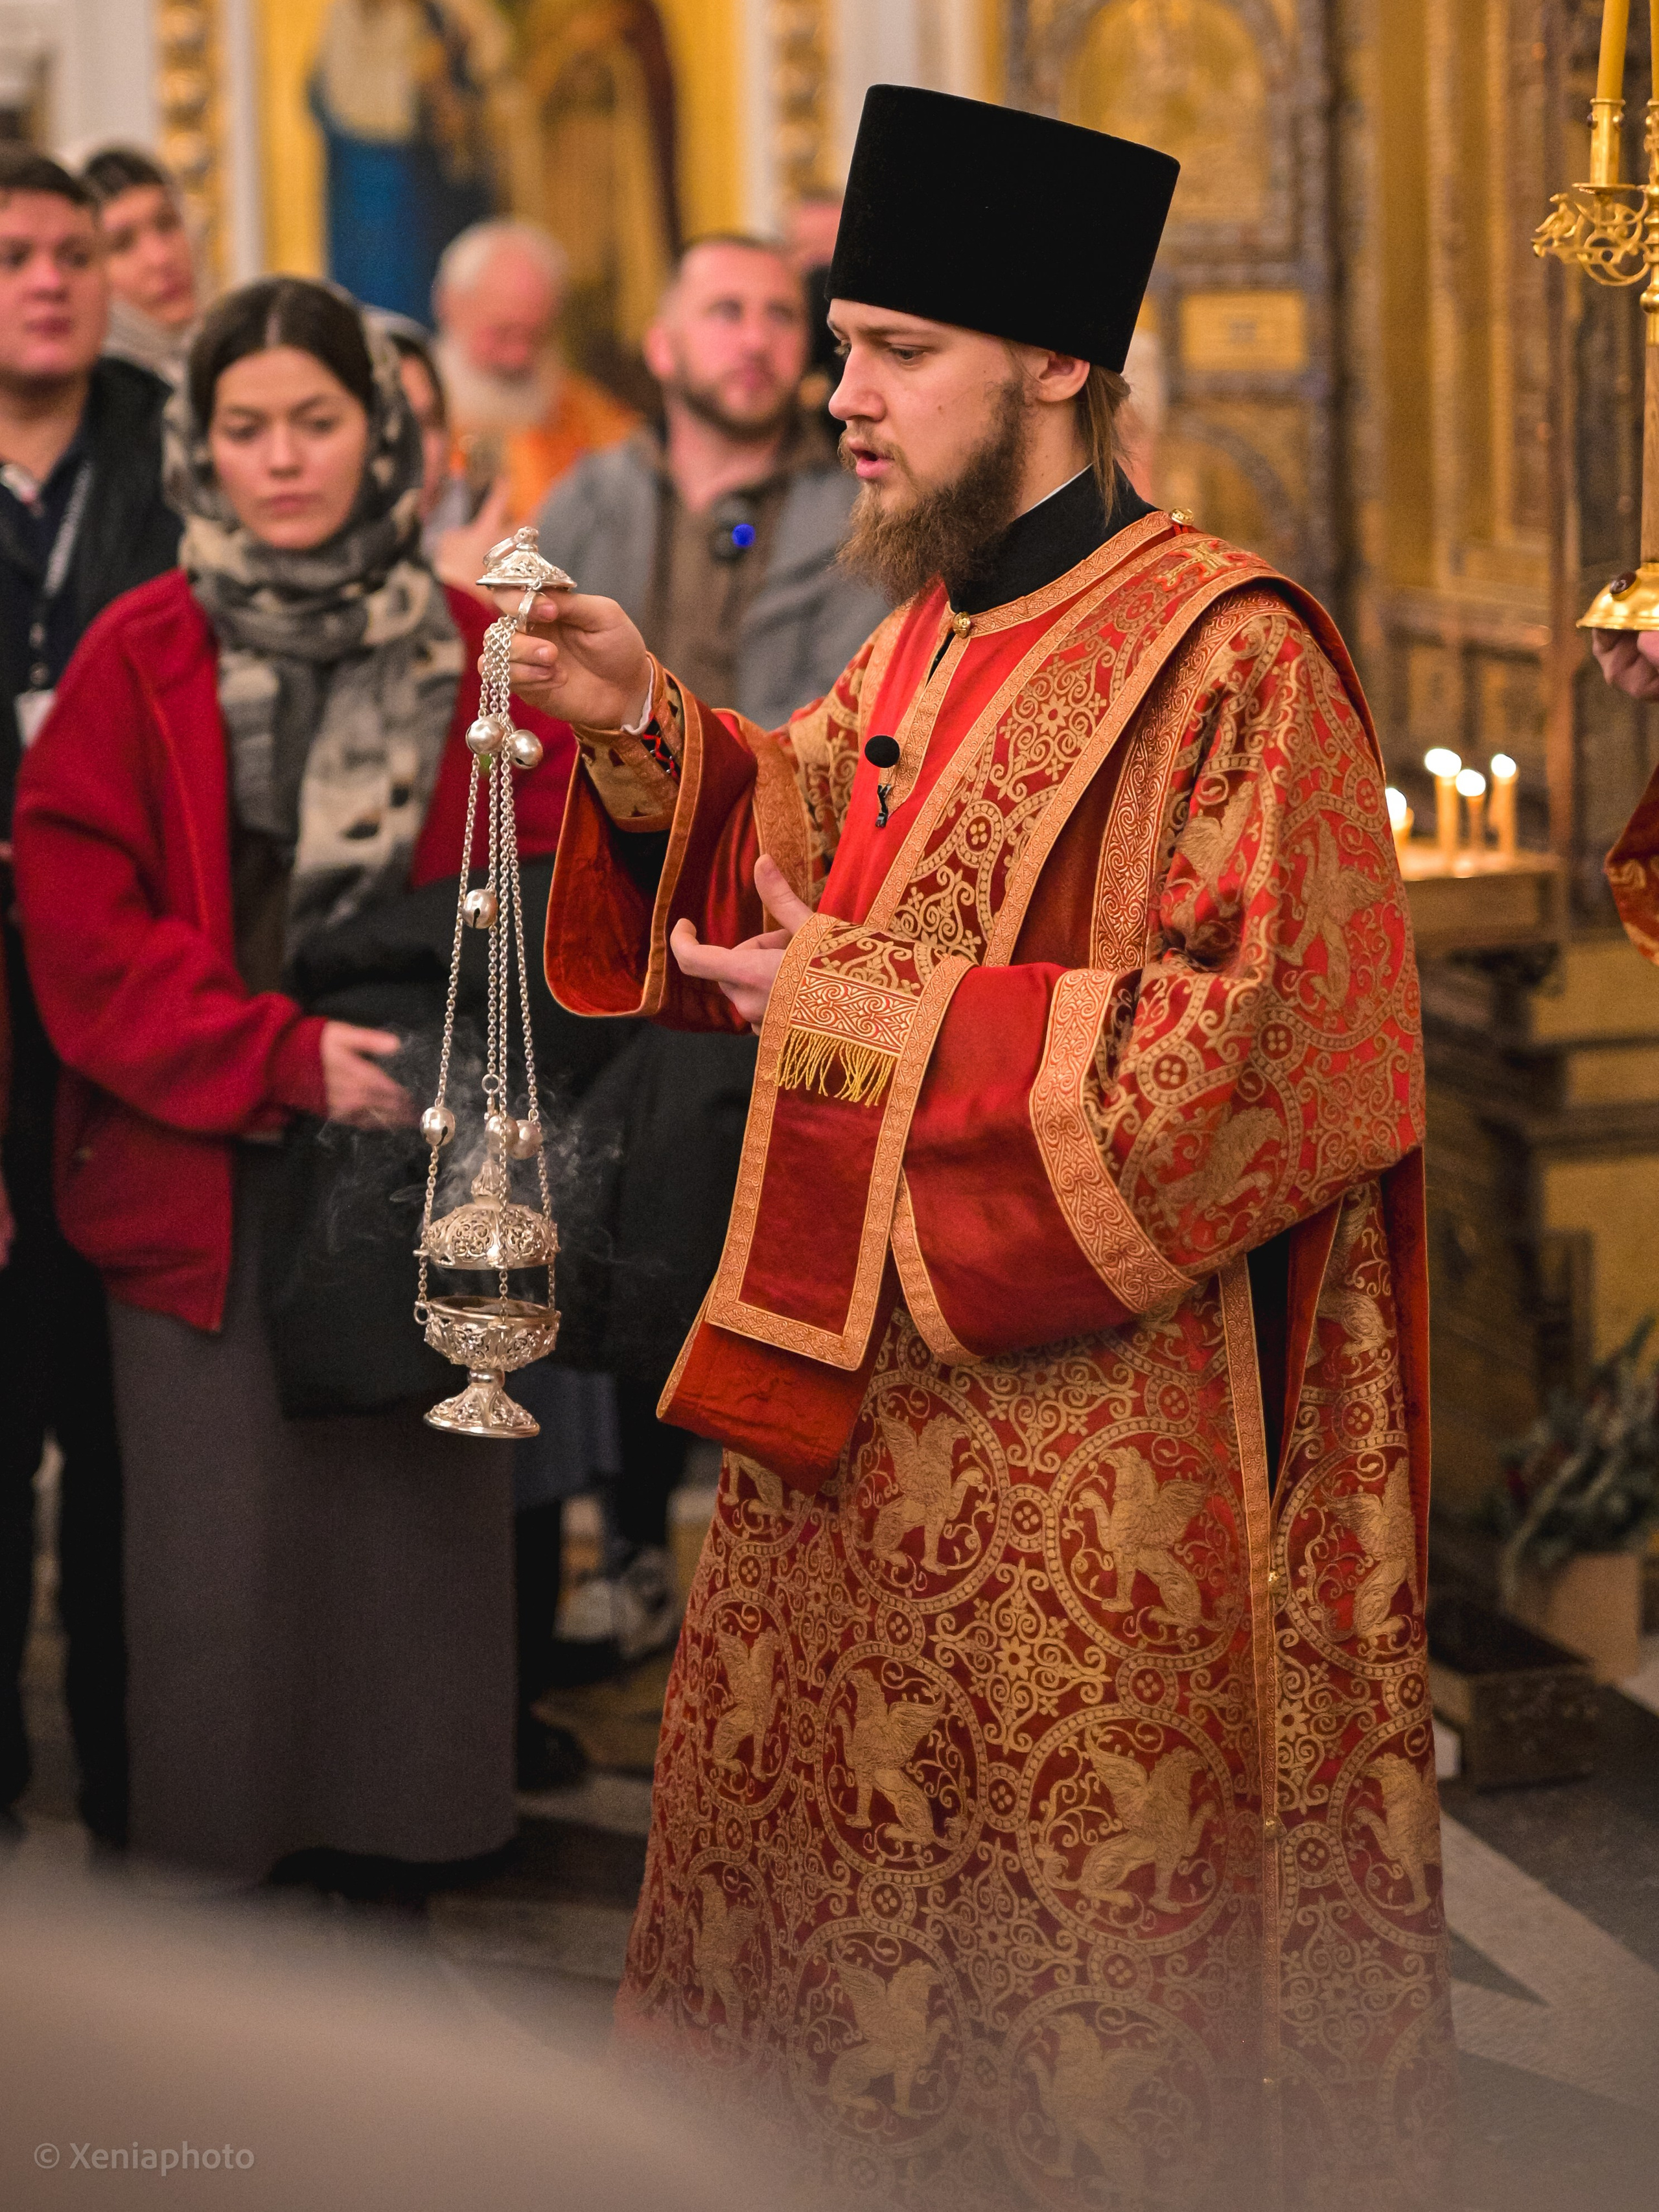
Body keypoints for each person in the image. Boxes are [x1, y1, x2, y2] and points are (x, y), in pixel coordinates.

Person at [498, 87, 1448, 2207]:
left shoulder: (1236, 658)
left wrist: (859, 1011)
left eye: (895, 351)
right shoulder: (932, 629)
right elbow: (819, 834)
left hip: (1102, 1481)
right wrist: (653, 719)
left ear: (1060, 366)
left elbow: (1270, 1057)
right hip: (864, 1427)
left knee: (1073, 2005)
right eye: (840, 345)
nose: (843, 397)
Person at [12, 278, 577, 1891]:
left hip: (418, 1164)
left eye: (316, 422)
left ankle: (401, 1884)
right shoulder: (139, 652)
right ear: (199, 443)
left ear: (381, 431)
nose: (282, 460)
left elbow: (541, 885)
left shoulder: (480, 651)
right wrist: (277, 1054)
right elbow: (86, 935)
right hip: (199, 1176)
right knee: (220, 1578)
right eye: (245, 428)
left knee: (408, 1557)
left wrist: (409, 1055)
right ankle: (227, 1959)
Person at [526, 234, 887, 1682]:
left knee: (725, 1222)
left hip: (772, 895)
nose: (751, 339)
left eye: (771, 316)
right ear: (663, 344)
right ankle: (618, 1544)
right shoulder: (590, 495)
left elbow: (838, 722)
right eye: (718, 312)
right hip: (602, 883)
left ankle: (733, 1542)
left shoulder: (846, 504)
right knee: (590, 1205)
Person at [0, 147, 180, 1852]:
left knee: (135, 1429)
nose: (49, 280)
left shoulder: (172, 444)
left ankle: (145, 1788)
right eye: (12, 255)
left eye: (73, 252)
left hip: (139, 992)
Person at [432, 219, 636, 530]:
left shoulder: (593, 419)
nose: (519, 357)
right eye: (503, 332)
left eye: (537, 337)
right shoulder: (412, 415)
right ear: (449, 305)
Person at [80, 145, 200, 386]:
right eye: (121, 244)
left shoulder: (235, 364)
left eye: (167, 224)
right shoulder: (74, 402)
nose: (161, 258)